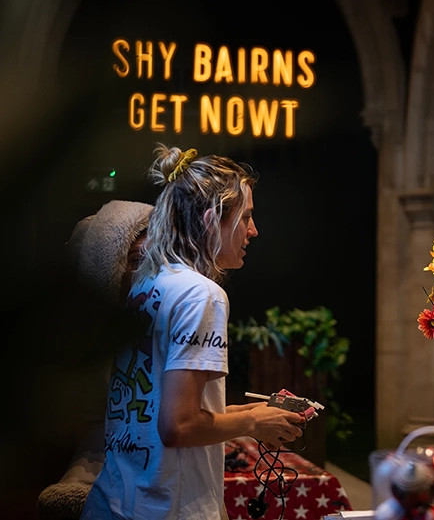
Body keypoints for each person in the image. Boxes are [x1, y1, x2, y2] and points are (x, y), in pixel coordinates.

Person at [80, 145, 305, 520]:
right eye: (246, 217)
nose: (254, 230)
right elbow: (179, 426)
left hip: (113, 502)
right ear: (211, 218)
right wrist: (252, 423)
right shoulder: (202, 295)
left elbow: (161, 410)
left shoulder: (147, 283)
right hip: (164, 510)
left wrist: (251, 414)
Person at [38, 200, 153, 520]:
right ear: (104, 269)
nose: (148, 269)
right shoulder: (80, 345)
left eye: (154, 257)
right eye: (134, 260)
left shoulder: (159, 321)